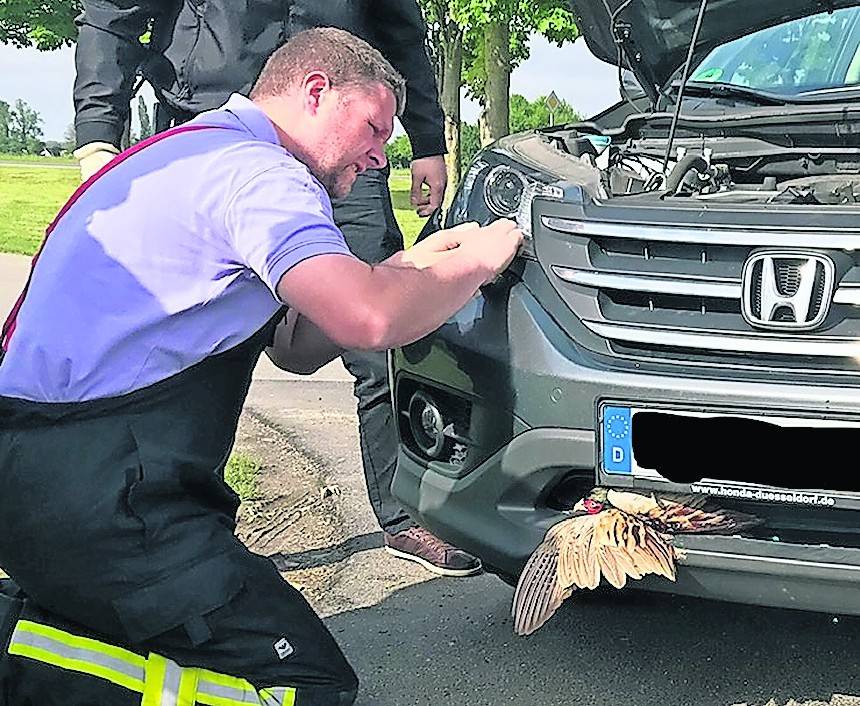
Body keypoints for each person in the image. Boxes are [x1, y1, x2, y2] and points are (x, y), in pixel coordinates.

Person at [0, 28, 522, 704]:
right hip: (105, 501)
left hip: (54, 478)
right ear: (314, 91)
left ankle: (27, 633)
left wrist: (409, 268)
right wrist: (483, 258)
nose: (378, 155)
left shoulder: (193, 152)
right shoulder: (261, 174)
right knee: (302, 687)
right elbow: (367, 320)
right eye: (373, 126)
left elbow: (297, 347)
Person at [71, 0, 483, 577]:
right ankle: (172, 524)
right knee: (197, 341)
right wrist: (97, 130)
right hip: (215, 119)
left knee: (374, 333)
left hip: (340, 130)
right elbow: (112, 10)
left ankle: (403, 514)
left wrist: (427, 141)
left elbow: (401, 27)